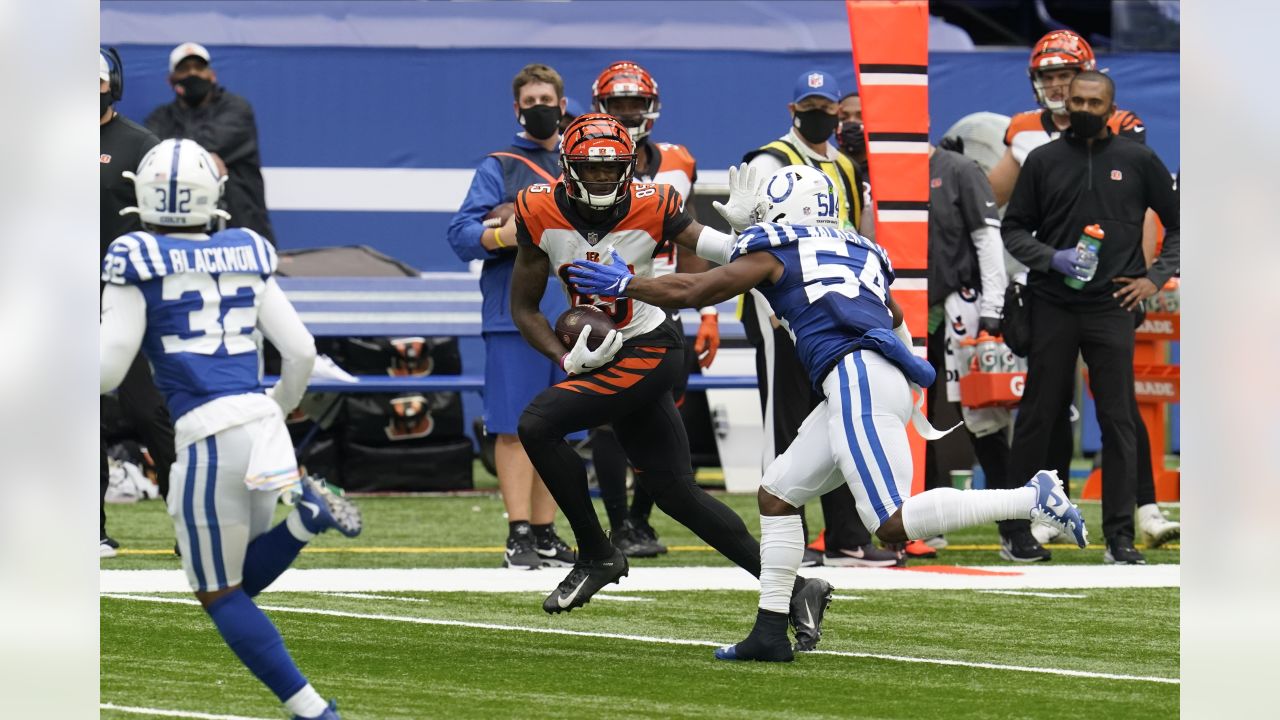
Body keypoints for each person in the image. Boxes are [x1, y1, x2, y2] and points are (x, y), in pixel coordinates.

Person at [566, 163, 1087, 661]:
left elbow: (699, 287)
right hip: (874, 375)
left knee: (890, 523)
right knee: (777, 494)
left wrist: (625, 284)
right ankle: (770, 631)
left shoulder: (776, 249)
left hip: (857, 375)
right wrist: (910, 387)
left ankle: (1029, 497)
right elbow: (892, 315)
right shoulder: (863, 251)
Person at [509, 114, 833, 654]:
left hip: (651, 344)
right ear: (566, 168)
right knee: (674, 492)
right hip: (602, 354)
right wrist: (564, 356)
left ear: (629, 165)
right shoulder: (537, 207)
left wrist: (752, 227)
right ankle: (797, 588)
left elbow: (729, 254)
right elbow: (522, 306)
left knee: (537, 424)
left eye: (609, 167)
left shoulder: (654, 202)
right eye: (588, 167)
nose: (598, 178)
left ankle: (596, 552)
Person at [99, 138, 361, 719]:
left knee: (218, 594)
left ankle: (315, 711)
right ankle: (303, 522)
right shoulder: (245, 249)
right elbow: (299, 351)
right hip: (264, 427)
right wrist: (279, 406)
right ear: (213, 194)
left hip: (206, 433)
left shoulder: (134, 255)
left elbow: (108, 369)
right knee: (237, 583)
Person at [986, 30, 1180, 551]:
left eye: (1080, 90)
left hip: (1112, 298)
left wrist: (1148, 276)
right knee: (1041, 411)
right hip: (1050, 295)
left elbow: (1160, 214)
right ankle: (1021, 522)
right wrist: (1048, 258)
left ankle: (1129, 525)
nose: (1068, 95)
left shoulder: (1132, 146)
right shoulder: (1035, 148)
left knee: (1119, 413)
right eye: (1056, 83)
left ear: (1106, 101)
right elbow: (1000, 213)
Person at [741, 70, 897, 567]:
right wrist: (770, 306)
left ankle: (846, 534)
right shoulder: (771, 159)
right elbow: (755, 234)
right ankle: (790, 533)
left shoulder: (846, 166)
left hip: (832, 305)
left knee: (837, 413)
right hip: (783, 303)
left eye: (827, 104)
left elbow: (856, 230)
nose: (821, 113)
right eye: (810, 104)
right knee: (785, 418)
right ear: (794, 111)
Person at [445, 63, 577, 570]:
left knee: (561, 429)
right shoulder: (499, 165)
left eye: (547, 97)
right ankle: (518, 531)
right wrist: (510, 231)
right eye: (530, 99)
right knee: (513, 427)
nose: (540, 106)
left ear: (563, 104)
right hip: (515, 315)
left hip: (575, 317)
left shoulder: (582, 160)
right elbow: (460, 236)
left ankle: (545, 531)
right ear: (517, 108)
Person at [587, 60, 720, 557]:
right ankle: (618, 523)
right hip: (604, 301)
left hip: (664, 300)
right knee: (605, 415)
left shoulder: (679, 161)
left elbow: (689, 238)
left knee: (664, 411)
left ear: (651, 107)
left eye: (634, 104)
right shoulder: (581, 154)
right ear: (601, 107)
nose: (627, 112)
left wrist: (706, 311)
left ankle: (640, 521)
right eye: (618, 104)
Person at [924, 145, 1042, 560]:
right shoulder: (869, 171)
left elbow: (987, 239)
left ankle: (1014, 528)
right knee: (905, 417)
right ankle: (919, 524)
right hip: (897, 309)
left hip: (959, 308)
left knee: (984, 420)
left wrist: (992, 309)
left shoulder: (958, 170)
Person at [99, 47, 169, 558]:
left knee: (150, 412)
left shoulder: (143, 146)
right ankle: (86, 530)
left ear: (112, 85)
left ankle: (193, 526)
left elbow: (167, 224)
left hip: (127, 296)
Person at [145, 42, 275, 241]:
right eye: (184, 69)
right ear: (171, 80)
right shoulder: (159, 118)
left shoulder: (236, 109)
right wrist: (205, 159)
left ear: (212, 75)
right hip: (179, 237)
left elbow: (209, 143)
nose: (193, 74)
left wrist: (178, 156)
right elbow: (151, 153)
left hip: (241, 232)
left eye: (199, 68)